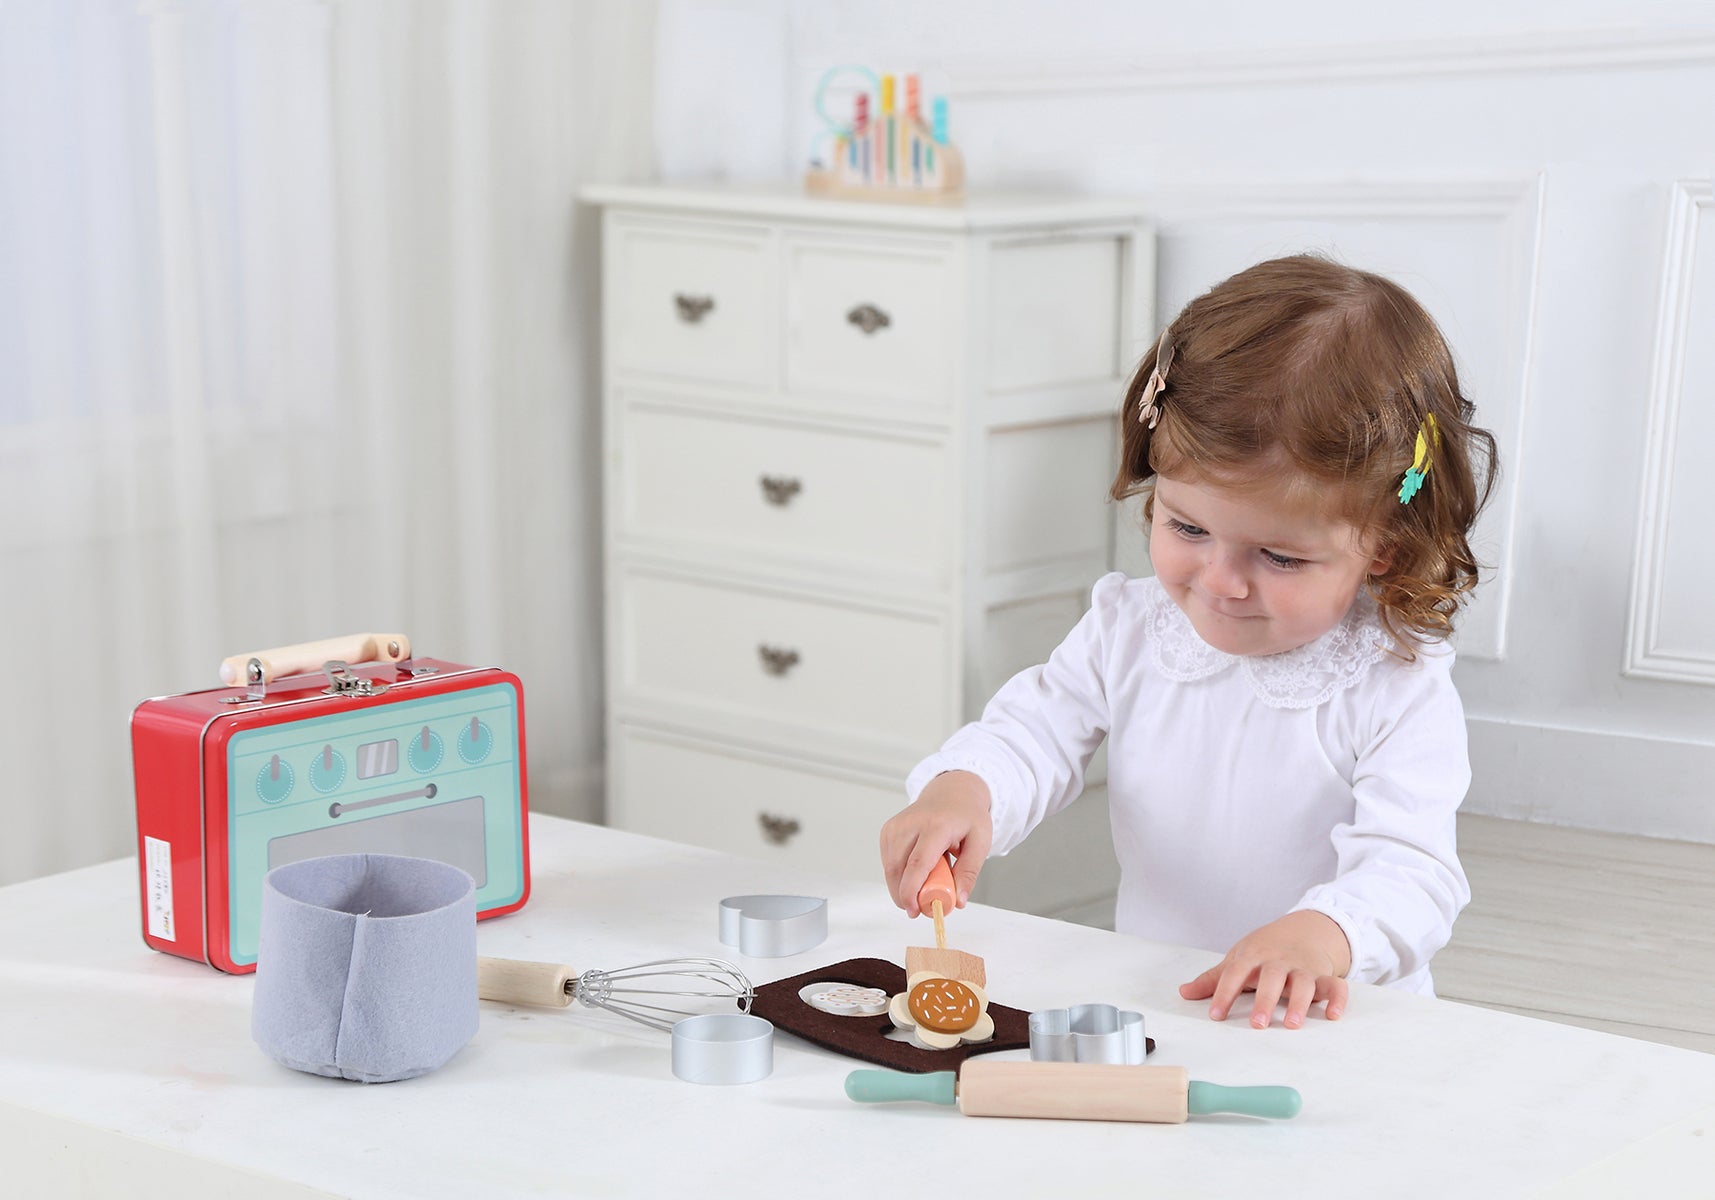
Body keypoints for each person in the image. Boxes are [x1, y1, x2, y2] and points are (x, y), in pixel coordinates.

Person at [880, 254, 1498, 1030]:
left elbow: (1412, 871)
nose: (1221, 581)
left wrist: (1325, 934)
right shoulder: (1130, 628)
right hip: (1162, 1000)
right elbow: (1033, 732)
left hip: (1334, 1015)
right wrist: (963, 790)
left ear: (1383, 544)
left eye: (1278, 556)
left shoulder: (1393, 683)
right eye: (1187, 527)